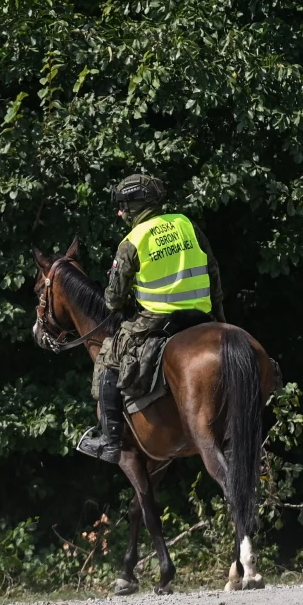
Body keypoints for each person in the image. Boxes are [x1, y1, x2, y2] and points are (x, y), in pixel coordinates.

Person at [76, 173, 226, 463]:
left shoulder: (133, 240)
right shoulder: (186, 224)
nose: (120, 212)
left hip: (157, 320)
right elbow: (214, 271)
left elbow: (113, 300)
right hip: (200, 316)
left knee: (108, 356)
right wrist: (220, 318)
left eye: (122, 205)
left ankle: (109, 440)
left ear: (135, 205)